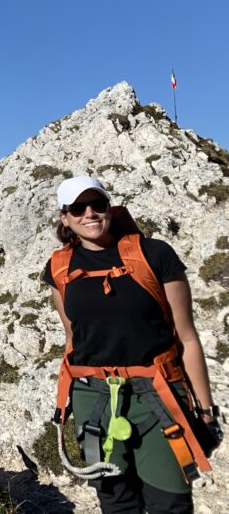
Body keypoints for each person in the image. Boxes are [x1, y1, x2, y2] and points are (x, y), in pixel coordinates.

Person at [44, 176, 221, 514]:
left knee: (170, 502)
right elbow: (73, 337)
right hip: (93, 399)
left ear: (109, 208)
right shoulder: (58, 268)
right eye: (78, 208)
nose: (89, 214)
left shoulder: (155, 254)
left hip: (158, 394)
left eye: (97, 204)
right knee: (115, 501)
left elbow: (186, 336)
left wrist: (206, 411)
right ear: (64, 218)